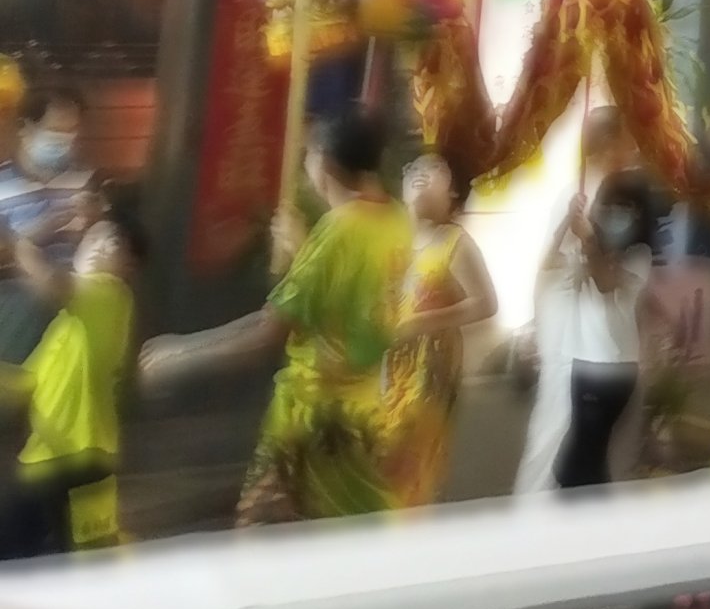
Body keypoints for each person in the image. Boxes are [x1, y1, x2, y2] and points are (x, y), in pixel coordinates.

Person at [137, 106, 412, 523]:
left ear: (325, 163)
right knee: (348, 530)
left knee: (266, 532)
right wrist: (301, 255)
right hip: (365, 408)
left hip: (314, 416)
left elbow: (269, 331)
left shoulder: (339, 229)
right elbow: (338, 307)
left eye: (308, 154)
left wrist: (181, 357)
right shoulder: (395, 218)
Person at [518, 106, 648, 494]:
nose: (635, 148)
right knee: (559, 435)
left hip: (607, 348)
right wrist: (535, 325)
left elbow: (627, 272)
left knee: (588, 449)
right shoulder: (578, 195)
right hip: (573, 341)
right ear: (607, 143)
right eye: (627, 139)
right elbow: (551, 269)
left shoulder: (624, 197)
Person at [0, 206, 141, 557]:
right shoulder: (65, 328)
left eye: (113, 242)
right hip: (50, 456)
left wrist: (17, 240)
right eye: (92, 238)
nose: (99, 246)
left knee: (67, 553)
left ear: (130, 267)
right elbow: (25, 384)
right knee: (50, 551)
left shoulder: (112, 293)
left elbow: (52, 281)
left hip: (81, 452)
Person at [381, 150, 497, 507]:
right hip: (385, 360)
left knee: (408, 462)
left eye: (435, 169)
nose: (422, 173)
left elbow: (486, 304)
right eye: (414, 168)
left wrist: (423, 322)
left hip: (427, 368)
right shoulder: (391, 240)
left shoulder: (454, 242)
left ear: (452, 193)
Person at [0, 89, 99, 367]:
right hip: (18, 293)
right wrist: (40, 232)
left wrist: (93, 224)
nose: (64, 141)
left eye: (71, 131)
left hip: (77, 290)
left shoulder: (85, 179)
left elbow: (108, 242)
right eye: (55, 131)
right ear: (25, 128)